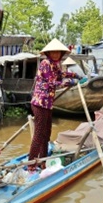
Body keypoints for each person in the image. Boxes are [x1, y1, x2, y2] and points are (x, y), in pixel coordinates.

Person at [28, 39, 81, 170]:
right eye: (53, 52)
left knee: (47, 133)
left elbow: (61, 74)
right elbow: (51, 82)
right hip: (40, 103)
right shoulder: (45, 63)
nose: (56, 54)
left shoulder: (55, 65)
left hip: (48, 104)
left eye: (58, 52)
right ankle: (31, 164)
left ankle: (43, 160)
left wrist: (75, 75)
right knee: (39, 134)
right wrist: (67, 83)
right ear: (49, 53)